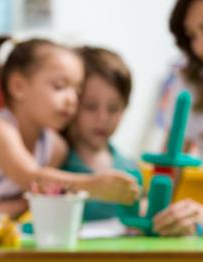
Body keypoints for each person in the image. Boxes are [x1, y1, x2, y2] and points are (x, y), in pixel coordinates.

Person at [0, 36, 140, 217]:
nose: (71, 99)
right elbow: (33, 179)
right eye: (60, 86)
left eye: (77, 90)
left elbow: (29, 199)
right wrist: (93, 185)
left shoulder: (55, 148)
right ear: (18, 87)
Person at [153, 0, 203, 236]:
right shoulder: (191, 82)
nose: (200, 47)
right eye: (192, 36)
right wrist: (153, 209)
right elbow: (169, 162)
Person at [61, 46, 142, 221]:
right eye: (90, 106)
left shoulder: (130, 170)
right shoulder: (56, 163)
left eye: (113, 108)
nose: (103, 118)